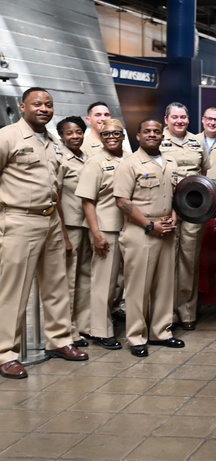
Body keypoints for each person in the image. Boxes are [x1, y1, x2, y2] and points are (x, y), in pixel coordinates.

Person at [0, 88, 89, 380]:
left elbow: (56, 188)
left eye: (48, 105)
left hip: (51, 219)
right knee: (14, 291)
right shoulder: (7, 137)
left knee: (56, 284)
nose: (43, 109)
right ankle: (5, 353)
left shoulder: (53, 141)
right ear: (22, 107)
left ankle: (59, 340)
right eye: (37, 104)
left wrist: (61, 228)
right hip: (19, 220)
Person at [113, 118, 183, 358]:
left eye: (156, 131)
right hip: (141, 230)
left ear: (163, 135)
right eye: (147, 131)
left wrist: (174, 217)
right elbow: (122, 201)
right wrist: (149, 225)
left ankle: (161, 332)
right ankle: (136, 336)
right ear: (138, 136)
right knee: (138, 287)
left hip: (166, 228)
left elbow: (175, 195)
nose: (152, 134)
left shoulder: (171, 162)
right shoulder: (129, 164)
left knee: (165, 285)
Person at [76, 118, 126, 350]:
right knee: (103, 282)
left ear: (123, 136)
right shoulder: (95, 163)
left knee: (119, 283)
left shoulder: (129, 159)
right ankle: (100, 330)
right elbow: (88, 201)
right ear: (100, 137)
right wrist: (96, 234)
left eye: (116, 133)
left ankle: (111, 316)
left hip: (129, 227)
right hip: (106, 228)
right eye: (106, 134)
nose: (112, 137)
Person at [159, 102, 208, 330]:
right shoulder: (158, 139)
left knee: (189, 259)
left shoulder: (197, 141)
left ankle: (186, 312)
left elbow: (204, 171)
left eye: (183, 117)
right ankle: (165, 314)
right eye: (175, 117)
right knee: (166, 260)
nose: (180, 121)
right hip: (164, 205)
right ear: (166, 119)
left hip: (193, 207)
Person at [57, 116, 91, 347]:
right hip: (70, 225)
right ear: (62, 136)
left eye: (78, 132)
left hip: (88, 224)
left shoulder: (86, 158)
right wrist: (64, 235)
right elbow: (56, 197)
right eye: (69, 133)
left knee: (86, 276)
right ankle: (67, 329)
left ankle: (83, 323)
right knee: (68, 279)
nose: (75, 136)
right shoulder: (60, 160)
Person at [194, 107, 216, 180]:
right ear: (203, 120)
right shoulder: (192, 141)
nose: (212, 123)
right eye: (209, 119)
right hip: (196, 185)